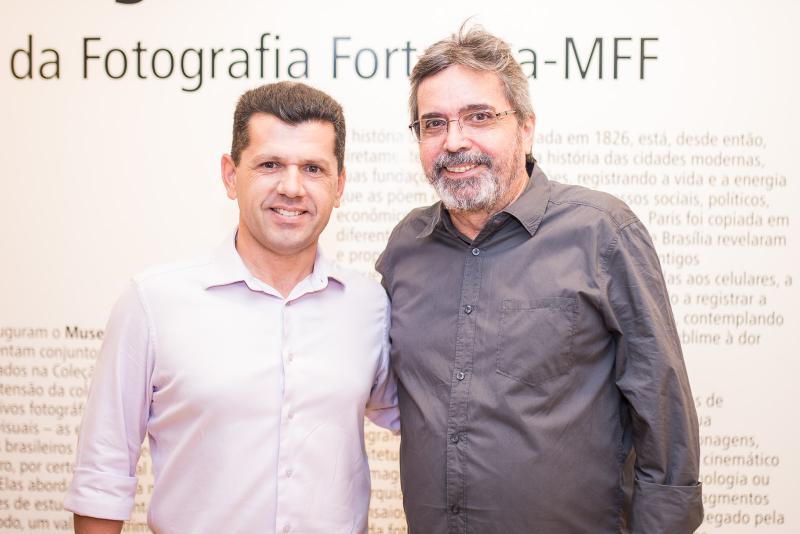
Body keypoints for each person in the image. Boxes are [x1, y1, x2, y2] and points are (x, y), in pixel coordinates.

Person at [376, 25, 702, 533]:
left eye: (479, 116)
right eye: (433, 123)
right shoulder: (405, 248)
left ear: (525, 128)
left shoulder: (601, 232)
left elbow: (662, 409)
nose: (454, 141)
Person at [65, 81, 398, 534]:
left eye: (313, 168)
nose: (292, 187)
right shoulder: (152, 303)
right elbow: (102, 474)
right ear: (230, 175)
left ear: (339, 186)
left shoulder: (369, 306)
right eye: (270, 164)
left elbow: (428, 421)